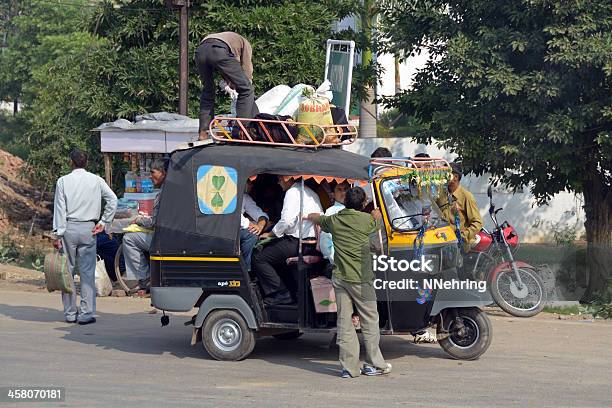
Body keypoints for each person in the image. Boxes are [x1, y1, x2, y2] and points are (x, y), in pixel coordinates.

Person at [306, 187, 392, 378]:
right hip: (362, 280)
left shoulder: (334, 220)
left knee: (345, 323)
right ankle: (373, 365)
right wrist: (376, 215)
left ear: (344, 202)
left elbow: (318, 219)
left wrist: (309, 216)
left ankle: (349, 368)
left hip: (341, 279)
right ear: (362, 205)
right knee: (370, 321)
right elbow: (377, 224)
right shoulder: (367, 220)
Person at [52, 149, 117, 325]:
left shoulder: (63, 181)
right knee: (87, 273)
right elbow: (113, 199)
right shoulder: (96, 180)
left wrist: (57, 233)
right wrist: (104, 222)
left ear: (70, 162)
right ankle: (86, 313)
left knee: (67, 272)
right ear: (86, 162)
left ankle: (70, 313)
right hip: (89, 229)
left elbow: (59, 209)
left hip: (69, 229)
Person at [253, 176, 323, 306]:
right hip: (311, 242)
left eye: (279, 179)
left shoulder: (292, 192)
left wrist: (271, 234)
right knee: (276, 252)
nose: (278, 182)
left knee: (259, 257)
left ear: (287, 178)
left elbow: (287, 221)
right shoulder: (310, 192)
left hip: (300, 243)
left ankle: (282, 293)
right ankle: (290, 290)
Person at [195, 32, 258, 141]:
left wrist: (231, 81)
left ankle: (203, 133)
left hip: (200, 51)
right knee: (247, 89)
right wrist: (246, 82)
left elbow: (227, 69)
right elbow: (246, 70)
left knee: (207, 91)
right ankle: (241, 132)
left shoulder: (229, 39)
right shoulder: (245, 44)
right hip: (219, 50)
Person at [122, 158, 168, 293]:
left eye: (153, 172)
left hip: (163, 240)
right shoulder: (170, 190)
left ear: (163, 173)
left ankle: (144, 278)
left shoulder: (164, 193)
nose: (150, 176)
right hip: (169, 236)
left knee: (129, 239)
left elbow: (154, 222)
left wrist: (138, 220)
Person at [436, 162, 483, 252]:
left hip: (459, 247)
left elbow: (477, 223)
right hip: (442, 242)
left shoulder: (466, 196)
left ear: (455, 177)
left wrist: (462, 237)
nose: (443, 177)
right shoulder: (440, 194)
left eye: (446, 174)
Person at [240, 180, 268, 271]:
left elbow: (258, 213)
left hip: (239, 229)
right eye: (249, 182)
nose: (252, 185)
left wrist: (260, 225)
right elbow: (234, 216)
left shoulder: (245, 197)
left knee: (261, 229)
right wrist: (252, 225)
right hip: (223, 230)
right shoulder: (230, 194)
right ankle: (246, 269)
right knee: (251, 234)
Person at [318, 181, 349, 264]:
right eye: (339, 190)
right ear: (333, 195)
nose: (343, 193)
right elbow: (325, 243)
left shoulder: (353, 210)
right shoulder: (331, 212)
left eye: (345, 189)